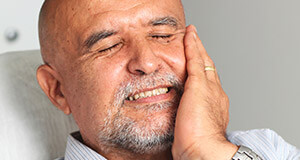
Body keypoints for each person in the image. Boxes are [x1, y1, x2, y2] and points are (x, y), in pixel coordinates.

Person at [36, 0, 300, 159]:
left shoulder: (269, 149)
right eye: (109, 46)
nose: (148, 62)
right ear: (57, 90)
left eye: (162, 35)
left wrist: (207, 151)